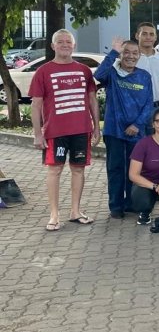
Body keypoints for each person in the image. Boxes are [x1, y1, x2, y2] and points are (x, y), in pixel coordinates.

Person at [29, 29, 101, 231]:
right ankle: (54, 215)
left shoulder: (84, 70)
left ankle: (75, 212)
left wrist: (96, 127)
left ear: (74, 45)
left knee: (78, 169)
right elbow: (36, 105)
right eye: (60, 42)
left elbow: (92, 100)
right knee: (55, 170)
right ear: (53, 46)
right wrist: (37, 133)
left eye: (68, 42)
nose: (64, 45)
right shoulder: (43, 71)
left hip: (81, 130)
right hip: (55, 131)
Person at [95, 37, 153, 219]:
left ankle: (132, 203)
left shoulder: (144, 76)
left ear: (140, 55)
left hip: (137, 133)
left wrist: (137, 125)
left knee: (134, 170)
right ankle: (116, 206)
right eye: (126, 52)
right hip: (115, 131)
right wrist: (113, 53)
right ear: (121, 54)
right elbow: (98, 75)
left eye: (135, 53)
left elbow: (148, 105)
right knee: (115, 169)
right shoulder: (112, 74)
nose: (130, 56)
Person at [135, 22, 159, 113]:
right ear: (137, 36)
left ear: (155, 37)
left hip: (154, 108)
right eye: (144, 34)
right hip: (133, 107)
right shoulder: (129, 58)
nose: (148, 37)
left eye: (151, 34)